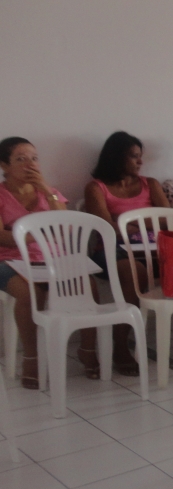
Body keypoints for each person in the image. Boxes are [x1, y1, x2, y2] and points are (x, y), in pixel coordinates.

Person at [82, 131, 171, 377]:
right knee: (134, 271)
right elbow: (107, 228)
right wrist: (141, 224)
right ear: (116, 157)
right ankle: (121, 344)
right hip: (111, 250)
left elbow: (167, 220)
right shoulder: (96, 188)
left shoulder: (150, 184)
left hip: (152, 248)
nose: (140, 162)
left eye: (140, 156)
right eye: (133, 156)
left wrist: (126, 222)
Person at [0, 138, 68, 388]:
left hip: (51, 259)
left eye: (34, 158)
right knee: (30, 294)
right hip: (10, 260)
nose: (30, 164)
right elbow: (3, 237)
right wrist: (38, 232)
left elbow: (65, 226)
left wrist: (47, 191)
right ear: (4, 165)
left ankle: (88, 351)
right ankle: (31, 357)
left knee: (87, 285)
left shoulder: (49, 192)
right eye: (21, 159)